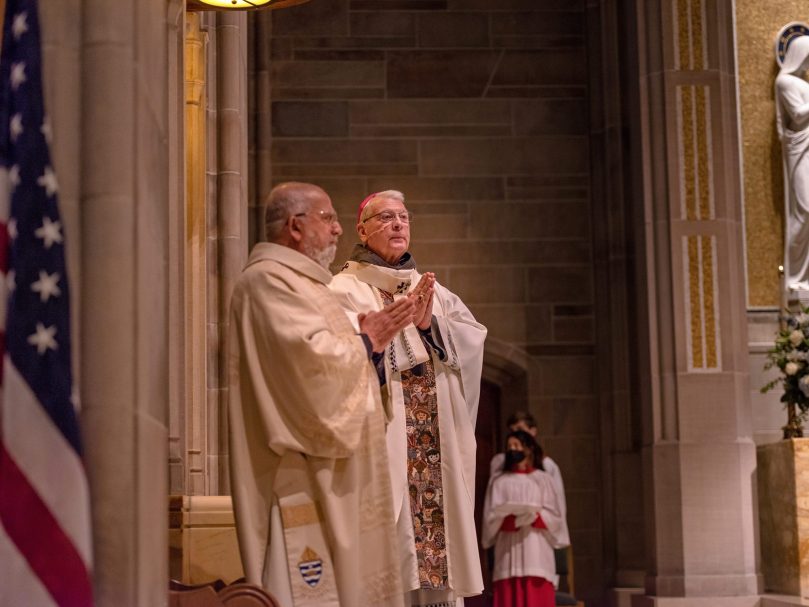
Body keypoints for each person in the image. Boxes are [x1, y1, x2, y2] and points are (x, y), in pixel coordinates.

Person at [227, 182, 416, 607]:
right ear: (296, 226)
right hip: (299, 486)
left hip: (333, 481)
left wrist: (371, 344)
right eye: (327, 218)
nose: (336, 230)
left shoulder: (309, 287)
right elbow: (308, 370)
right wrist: (367, 342)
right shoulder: (267, 284)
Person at [330, 190, 487, 606]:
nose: (397, 224)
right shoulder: (344, 290)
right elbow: (336, 356)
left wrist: (431, 325)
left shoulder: (437, 293)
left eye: (403, 216)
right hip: (383, 446)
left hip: (436, 455)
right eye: (385, 217)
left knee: (437, 567)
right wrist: (398, 334)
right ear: (363, 230)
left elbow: (473, 341)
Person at [481, 431, 569, 607]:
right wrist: (509, 521)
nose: (512, 450)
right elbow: (490, 519)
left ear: (528, 449)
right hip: (507, 549)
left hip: (536, 551)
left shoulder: (544, 480)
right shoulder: (499, 481)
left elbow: (557, 518)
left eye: (516, 445)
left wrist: (535, 517)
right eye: (509, 447)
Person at [776, 35, 809, 291]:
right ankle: (796, 278)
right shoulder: (785, 81)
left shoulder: (802, 82)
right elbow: (798, 116)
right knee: (805, 209)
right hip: (800, 149)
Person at [489, 411, 566, 517]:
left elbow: (558, 505)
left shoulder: (548, 465)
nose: (515, 433)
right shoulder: (500, 462)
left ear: (533, 431)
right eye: (512, 430)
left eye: (520, 429)